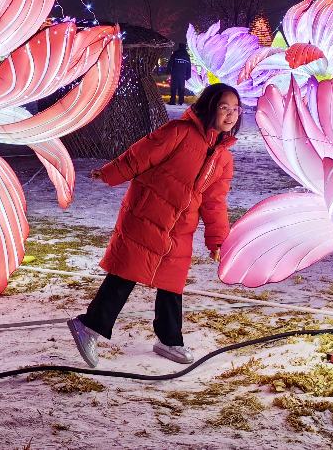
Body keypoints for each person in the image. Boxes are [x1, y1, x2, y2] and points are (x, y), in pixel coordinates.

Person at [67, 83, 241, 366]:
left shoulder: (223, 157)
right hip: (148, 215)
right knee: (126, 272)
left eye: (235, 110)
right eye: (224, 108)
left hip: (180, 227)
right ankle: (89, 326)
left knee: (173, 283)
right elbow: (141, 155)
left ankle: (169, 339)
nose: (231, 115)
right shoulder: (179, 133)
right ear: (210, 107)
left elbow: (215, 201)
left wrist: (218, 240)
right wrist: (110, 173)